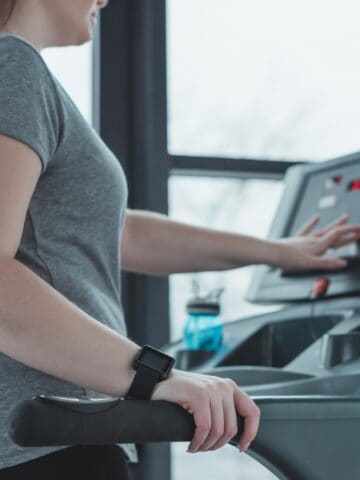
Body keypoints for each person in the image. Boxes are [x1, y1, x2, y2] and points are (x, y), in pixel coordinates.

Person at [0, 0, 360, 478]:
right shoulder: (14, 67)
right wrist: (154, 376)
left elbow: (117, 230)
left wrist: (278, 252)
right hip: (46, 436)